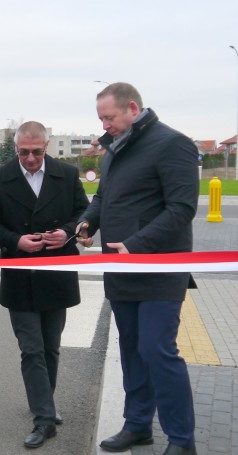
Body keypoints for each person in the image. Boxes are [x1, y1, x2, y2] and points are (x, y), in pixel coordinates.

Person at [77, 83, 199, 455]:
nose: (104, 125)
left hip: (160, 268)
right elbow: (104, 197)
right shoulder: (115, 149)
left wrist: (138, 244)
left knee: (157, 349)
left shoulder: (172, 144)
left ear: (132, 108)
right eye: (100, 118)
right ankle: (138, 424)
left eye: (109, 117)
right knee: (131, 349)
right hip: (121, 267)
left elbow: (181, 208)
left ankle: (182, 440)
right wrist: (86, 223)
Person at [0, 121, 90, 448]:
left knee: (50, 347)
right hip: (20, 276)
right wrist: (16, 240)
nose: (30, 158)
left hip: (57, 273)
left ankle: (45, 402)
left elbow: (85, 212)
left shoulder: (67, 173)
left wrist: (70, 231)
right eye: (23, 152)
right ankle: (44, 418)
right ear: (16, 149)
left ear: (46, 146)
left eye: (36, 151)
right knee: (31, 349)